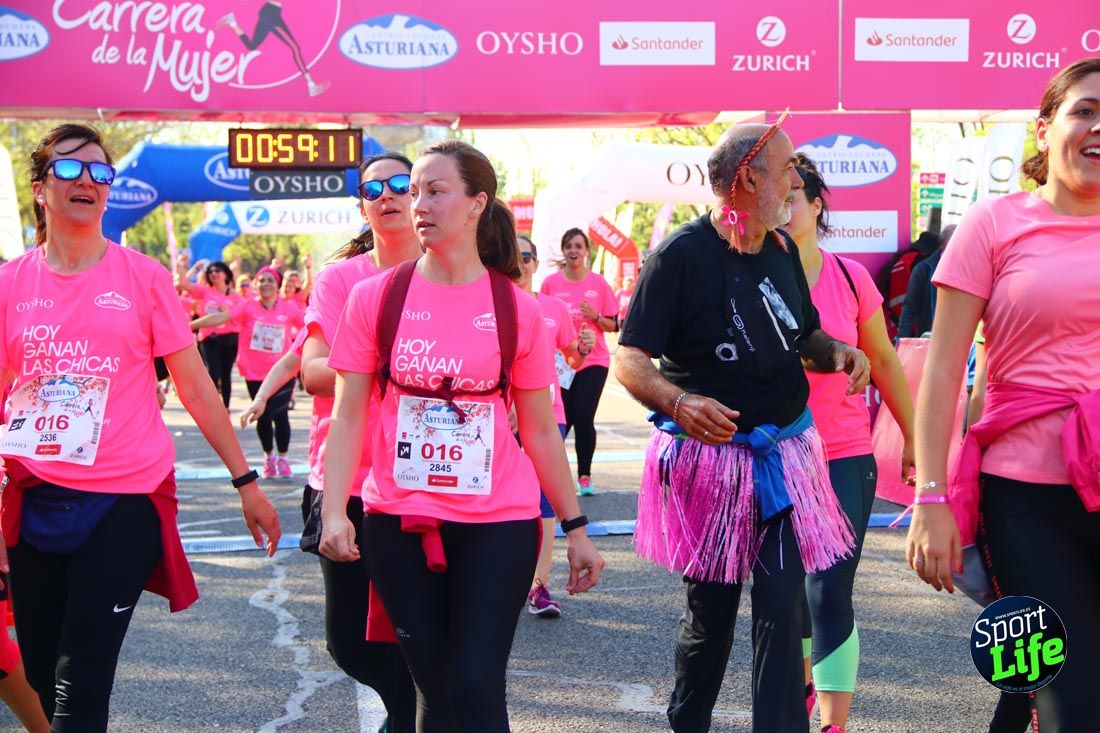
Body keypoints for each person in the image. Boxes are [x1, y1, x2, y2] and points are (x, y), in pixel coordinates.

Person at [0, 123, 280, 732]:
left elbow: (196, 386)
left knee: (82, 685)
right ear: (40, 189)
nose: (88, 182)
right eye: (70, 170)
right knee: (43, 682)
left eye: (100, 172)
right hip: (32, 499)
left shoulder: (144, 277)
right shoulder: (8, 284)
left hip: (122, 502)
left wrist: (246, 481)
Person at [320, 140, 604, 731]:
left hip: (497, 520)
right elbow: (349, 415)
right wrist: (333, 511)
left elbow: (541, 432)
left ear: (478, 204)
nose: (416, 203)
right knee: (435, 687)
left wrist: (576, 528)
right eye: (411, 190)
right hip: (396, 517)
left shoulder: (517, 310)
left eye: (433, 190)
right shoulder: (375, 297)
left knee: (476, 681)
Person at [616, 118, 868, 733]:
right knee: (712, 616)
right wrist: (678, 403)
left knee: (783, 609)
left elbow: (802, 335)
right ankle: (688, 722)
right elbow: (629, 359)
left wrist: (837, 351)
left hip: (785, 456)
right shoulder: (680, 255)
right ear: (749, 178)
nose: (795, 181)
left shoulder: (781, 250)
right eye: (786, 169)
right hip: (712, 466)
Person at [906, 58, 1100, 733]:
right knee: (1064, 700)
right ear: (1045, 131)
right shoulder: (993, 224)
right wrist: (930, 496)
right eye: (1085, 110)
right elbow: (943, 368)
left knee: (1028, 690)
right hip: (1023, 499)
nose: (1098, 127)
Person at [782, 154, 916, 733]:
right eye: (772, 191)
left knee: (829, 588)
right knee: (784, 596)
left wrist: (916, 440)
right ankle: (802, 687)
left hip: (842, 455)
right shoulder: (746, 276)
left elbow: (884, 359)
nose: (782, 203)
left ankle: (834, 725)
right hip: (768, 455)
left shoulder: (849, 278)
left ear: (816, 206)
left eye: (795, 194)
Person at [299, 152, 425, 732]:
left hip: (428, 485)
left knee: (419, 631)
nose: (388, 194)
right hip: (345, 481)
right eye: (373, 188)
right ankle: (413, 712)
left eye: (402, 184)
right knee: (349, 642)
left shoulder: (456, 273)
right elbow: (313, 372)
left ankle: (408, 718)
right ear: (362, 205)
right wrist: (391, 364)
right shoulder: (341, 279)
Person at [515, 234, 596, 618]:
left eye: (527, 256)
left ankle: (538, 586)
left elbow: (571, 362)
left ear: (535, 263)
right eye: (513, 256)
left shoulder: (551, 308)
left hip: (549, 415)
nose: (520, 263)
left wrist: (580, 349)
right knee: (502, 499)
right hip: (498, 417)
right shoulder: (488, 302)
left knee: (544, 499)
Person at [190, 267, 305, 479]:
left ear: (277, 284)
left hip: (283, 371)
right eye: (261, 280)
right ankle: (269, 457)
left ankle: (283, 457)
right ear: (256, 285)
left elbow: (310, 326)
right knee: (263, 415)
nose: (265, 284)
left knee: (280, 415)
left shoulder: (288, 309)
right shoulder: (248, 307)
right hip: (254, 371)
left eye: (270, 280)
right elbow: (220, 318)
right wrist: (190, 325)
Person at [539, 228, 619, 495]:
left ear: (586, 251)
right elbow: (542, 321)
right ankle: (553, 477)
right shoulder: (550, 284)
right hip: (561, 363)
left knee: (583, 417)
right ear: (563, 251)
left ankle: (584, 477)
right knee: (563, 421)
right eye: (568, 246)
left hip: (593, 361)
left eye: (578, 246)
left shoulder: (598, 284)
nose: (573, 250)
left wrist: (595, 316)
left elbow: (613, 325)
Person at [217, 2, 328, 96]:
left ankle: (232, 22)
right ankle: (311, 85)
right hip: (270, 15)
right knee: (295, 48)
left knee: (251, 46)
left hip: (269, 13)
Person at [175, 259, 242, 408]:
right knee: (213, 372)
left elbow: (241, 320)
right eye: (210, 271)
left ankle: (225, 407)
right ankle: (214, 407)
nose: (213, 273)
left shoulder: (236, 297)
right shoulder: (205, 291)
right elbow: (183, 284)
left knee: (226, 374)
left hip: (230, 338)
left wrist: (227, 312)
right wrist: (183, 266)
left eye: (217, 270)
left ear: (226, 274)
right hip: (208, 338)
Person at [897, 224, 956, 339]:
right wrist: (900, 341)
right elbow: (909, 308)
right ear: (946, 243)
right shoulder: (923, 269)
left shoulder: (965, 267)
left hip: (958, 338)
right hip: (929, 339)